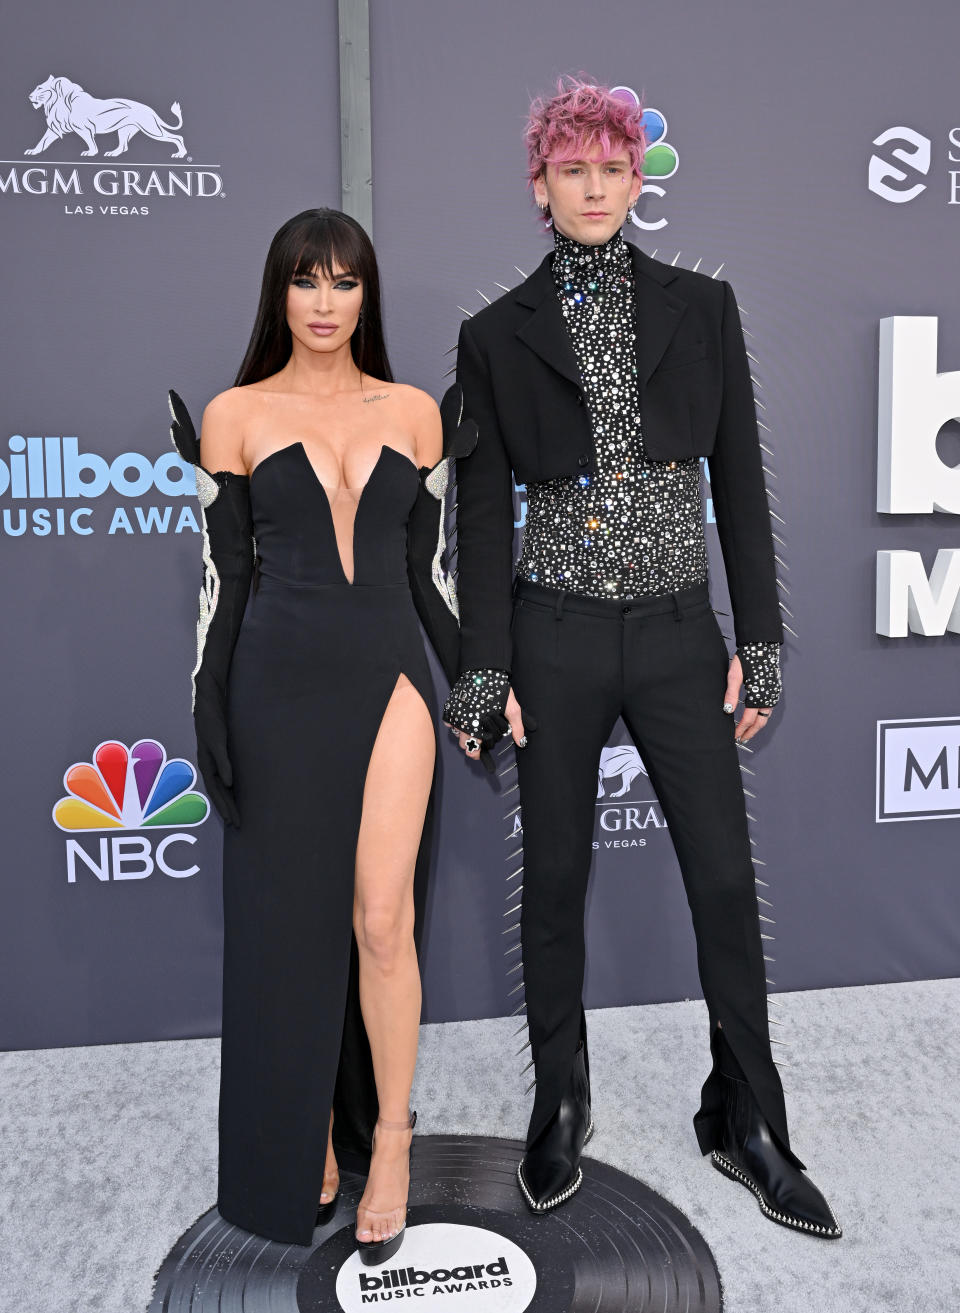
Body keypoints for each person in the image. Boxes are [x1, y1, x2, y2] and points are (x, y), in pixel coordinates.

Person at [443, 79, 840, 1237]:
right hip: (553, 636)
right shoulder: (491, 335)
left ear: (636, 177)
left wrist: (757, 643)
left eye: (613, 165)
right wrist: (485, 666)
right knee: (555, 881)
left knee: (723, 875)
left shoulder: (702, 308)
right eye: (574, 168)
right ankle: (561, 1101)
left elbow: (741, 493)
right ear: (541, 187)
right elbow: (476, 512)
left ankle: (747, 1118)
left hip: (677, 635)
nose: (597, 184)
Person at [169, 208, 471, 1262]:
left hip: (389, 680)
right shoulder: (234, 413)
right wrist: (208, 705)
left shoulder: (418, 412)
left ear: (366, 295)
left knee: (383, 920)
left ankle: (388, 1136)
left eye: (345, 282)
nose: (326, 302)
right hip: (274, 685)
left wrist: (481, 678)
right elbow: (224, 581)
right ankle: (306, 1139)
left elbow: (434, 581)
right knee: (292, 928)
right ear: (280, 294)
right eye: (307, 281)